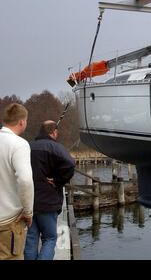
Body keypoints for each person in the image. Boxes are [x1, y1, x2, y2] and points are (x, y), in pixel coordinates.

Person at [24, 120, 75, 260]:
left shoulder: (27, 146)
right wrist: (58, 180)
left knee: (31, 239)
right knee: (50, 239)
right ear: (54, 132)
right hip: (48, 202)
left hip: (29, 202)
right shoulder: (55, 147)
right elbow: (71, 164)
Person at [0, 103, 34, 260]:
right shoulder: (19, 144)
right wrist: (28, 212)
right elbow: (25, 180)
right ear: (22, 122)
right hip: (8, 223)